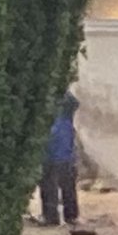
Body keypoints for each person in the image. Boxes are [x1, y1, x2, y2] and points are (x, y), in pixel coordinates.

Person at [40, 92, 81, 226]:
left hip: (54, 155)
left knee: (50, 188)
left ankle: (52, 217)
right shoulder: (65, 112)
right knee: (64, 187)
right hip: (61, 154)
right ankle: (69, 216)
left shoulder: (53, 110)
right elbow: (74, 103)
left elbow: (74, 103)